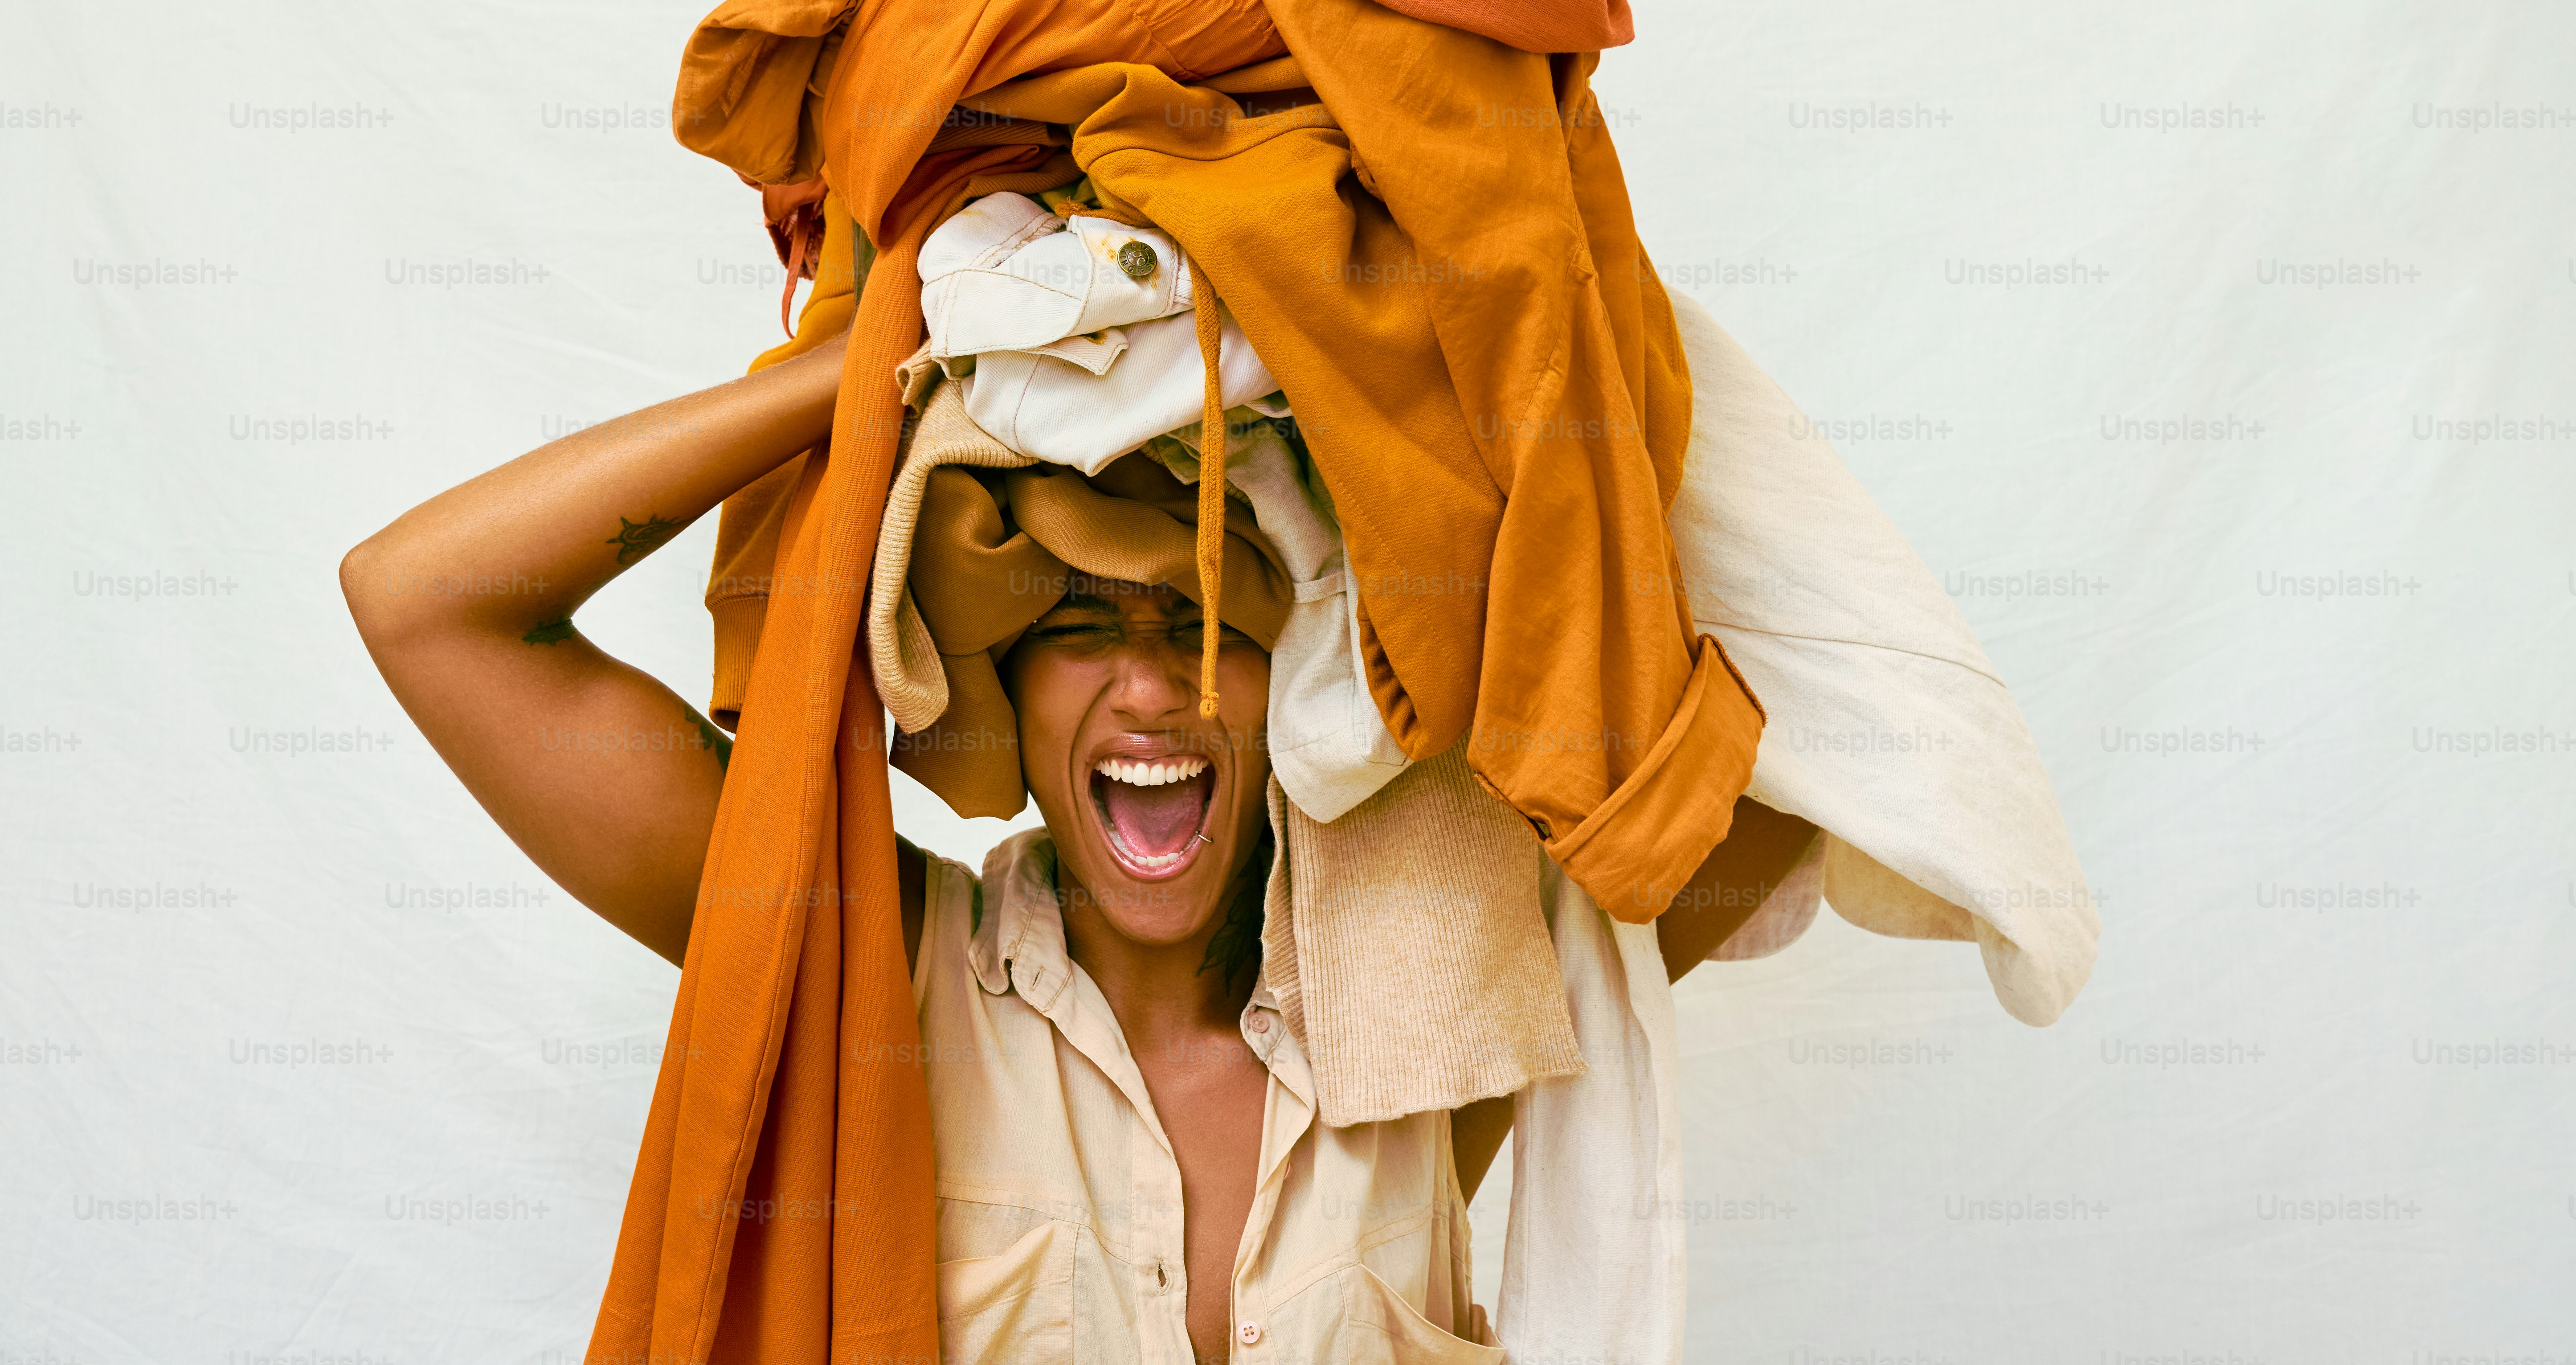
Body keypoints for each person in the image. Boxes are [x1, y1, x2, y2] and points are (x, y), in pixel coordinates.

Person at [341, 331, 1815, 1362]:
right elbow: (426, 605)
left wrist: (1487, 404)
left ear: (1293, 681)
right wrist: (874, 375)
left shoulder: (1438, 985)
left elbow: (1799, 761)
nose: (1156, 683)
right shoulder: (875, 970)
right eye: (1078, 626)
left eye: (1208, 616)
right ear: (997, 688)